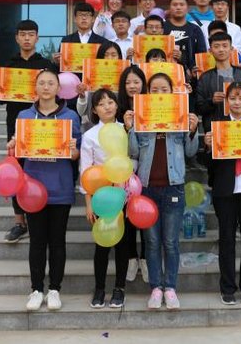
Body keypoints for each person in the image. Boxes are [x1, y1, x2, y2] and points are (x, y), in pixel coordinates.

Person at [6, 68, 81, 311]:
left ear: (59, 88)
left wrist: (73, 149)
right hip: (32, 188)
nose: (46, 87)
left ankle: (55, 289)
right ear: (35, 87)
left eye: (51, 83)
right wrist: (13, 145)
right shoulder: (24, 116)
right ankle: (36, 289)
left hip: (60, 186)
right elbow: (19, 154)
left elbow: (76, 155)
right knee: (37, 241)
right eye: (42, 83)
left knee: (57, 241)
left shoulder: (70, 116)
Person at [126, 73, 199, 310]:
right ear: (148, 93)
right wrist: (131, 128)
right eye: (154, 90)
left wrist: (192, 130)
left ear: (172, 92)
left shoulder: (180, 115)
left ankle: (171, 288)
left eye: (164, 89)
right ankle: (156, 288)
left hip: (174, 186)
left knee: (170, 242)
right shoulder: (141, 116)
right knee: (152, 241)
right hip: (147, 188)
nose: (159, 94)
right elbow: (133, 151)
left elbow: (190, 152)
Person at [0, 19, 53, 243]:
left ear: (37, 38)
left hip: (42, 124)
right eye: (23, 35)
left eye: (31, 34)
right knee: (17, 170)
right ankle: (19, 222)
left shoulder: (45, 65)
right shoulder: (8, 65)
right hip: (15, 124)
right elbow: (1, 101)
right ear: (17, 38)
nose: (27, 38)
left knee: (41, 169)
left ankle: (41, 216)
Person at [203, 82, 241, 305]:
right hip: (225, 190)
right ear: (227, 102)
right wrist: (208, 147)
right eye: (233, 98)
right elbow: (208, 164)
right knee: (226, 240)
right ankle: (227, 287)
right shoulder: (218, 126)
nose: (237, 103)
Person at [79, 88, 129, 309]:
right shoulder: (90, 136)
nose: (107, 107)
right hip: (101, 197)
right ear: (94, 110)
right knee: (102, 245)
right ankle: (99, 289)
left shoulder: (126, 129)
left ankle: (119, 288)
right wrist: (89, 203)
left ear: (117, 105)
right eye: (101, 104)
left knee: (122, 245)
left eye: (110, 102)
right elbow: (85, 171)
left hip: (125, 194)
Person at [114, 66, 149, 283]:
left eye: (136, 82)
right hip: (122, 171)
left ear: (143, 84)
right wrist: (127, 128)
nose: (132, 86)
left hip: (146, 169)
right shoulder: (117, 109)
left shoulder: (152, 107)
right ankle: (130, 257)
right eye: (128, 83)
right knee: (126, 216)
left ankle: (145, 258)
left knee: (144, 214)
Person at [195, 31, 241, 134]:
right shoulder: (205, 78)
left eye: (225, 46)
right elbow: (198, 108)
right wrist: (211, 101)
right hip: (215, 132)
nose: (221, 49)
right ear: (210, 51)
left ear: (231, 49)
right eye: (216, 46)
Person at [164, 0, 207, 75]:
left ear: (187, 8)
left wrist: (185, 60)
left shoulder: (195, 29)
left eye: (182, 4)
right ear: (169, 8)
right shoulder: (162, 27)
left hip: (189, 75)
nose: (178, 7)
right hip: (165, 73)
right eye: (175, 5)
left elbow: (202, 55)